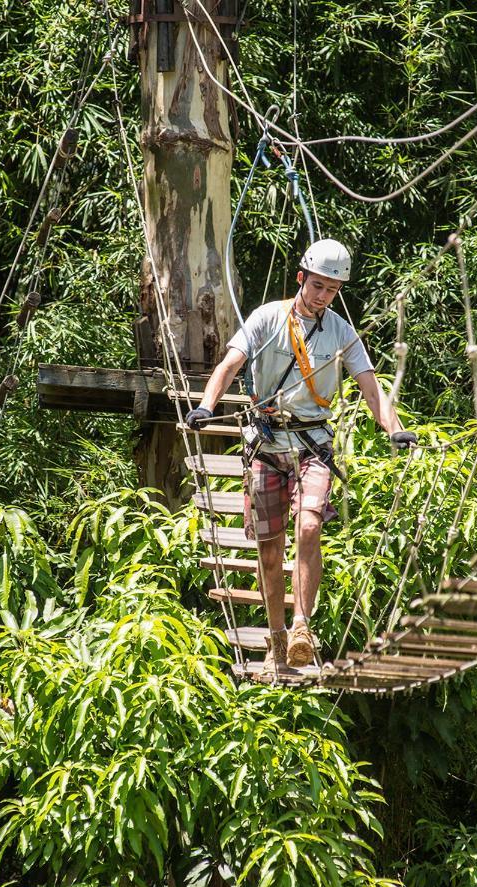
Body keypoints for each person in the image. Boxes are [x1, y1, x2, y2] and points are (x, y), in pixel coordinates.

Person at [186, 239, 417, 672]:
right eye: (317, 286)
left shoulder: (341, 333)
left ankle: (300, 626)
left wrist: (395, 428)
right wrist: (206, 406)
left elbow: (371, 389)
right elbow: (229, 366)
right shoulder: (267, 318)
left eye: (331, 290)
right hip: (268, 446)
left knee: (310, 524)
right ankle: (276, 638)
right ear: (301, 279)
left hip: (313, 445)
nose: (322, 296)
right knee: (270, 552)